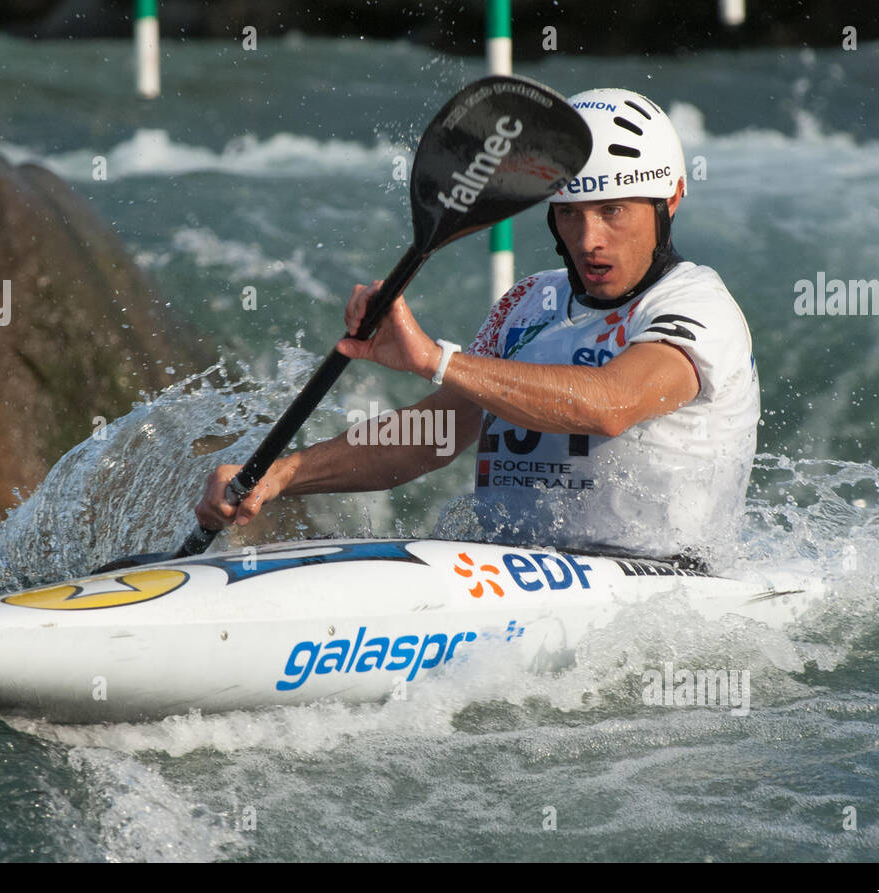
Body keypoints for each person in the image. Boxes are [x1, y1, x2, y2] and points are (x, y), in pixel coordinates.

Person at [195, 88, 759, 565]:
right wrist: (284, 475)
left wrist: (435, 359)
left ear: (672, 199)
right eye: (568, 213)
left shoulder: (696, 308)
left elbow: (609, 405)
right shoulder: (527, 302)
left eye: (613, 211)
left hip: (663, 586)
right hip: (514, 571)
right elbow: (433, 436)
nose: (588, 240)